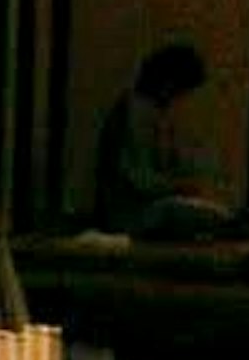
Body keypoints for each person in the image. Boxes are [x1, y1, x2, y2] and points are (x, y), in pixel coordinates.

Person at [92, 39, 229, 233]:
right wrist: (179, 186)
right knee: (205, 214)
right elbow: (140, 180)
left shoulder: (152, 114)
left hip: (145, 205)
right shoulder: (136, 113)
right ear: (167, 83)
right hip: (129, 213)